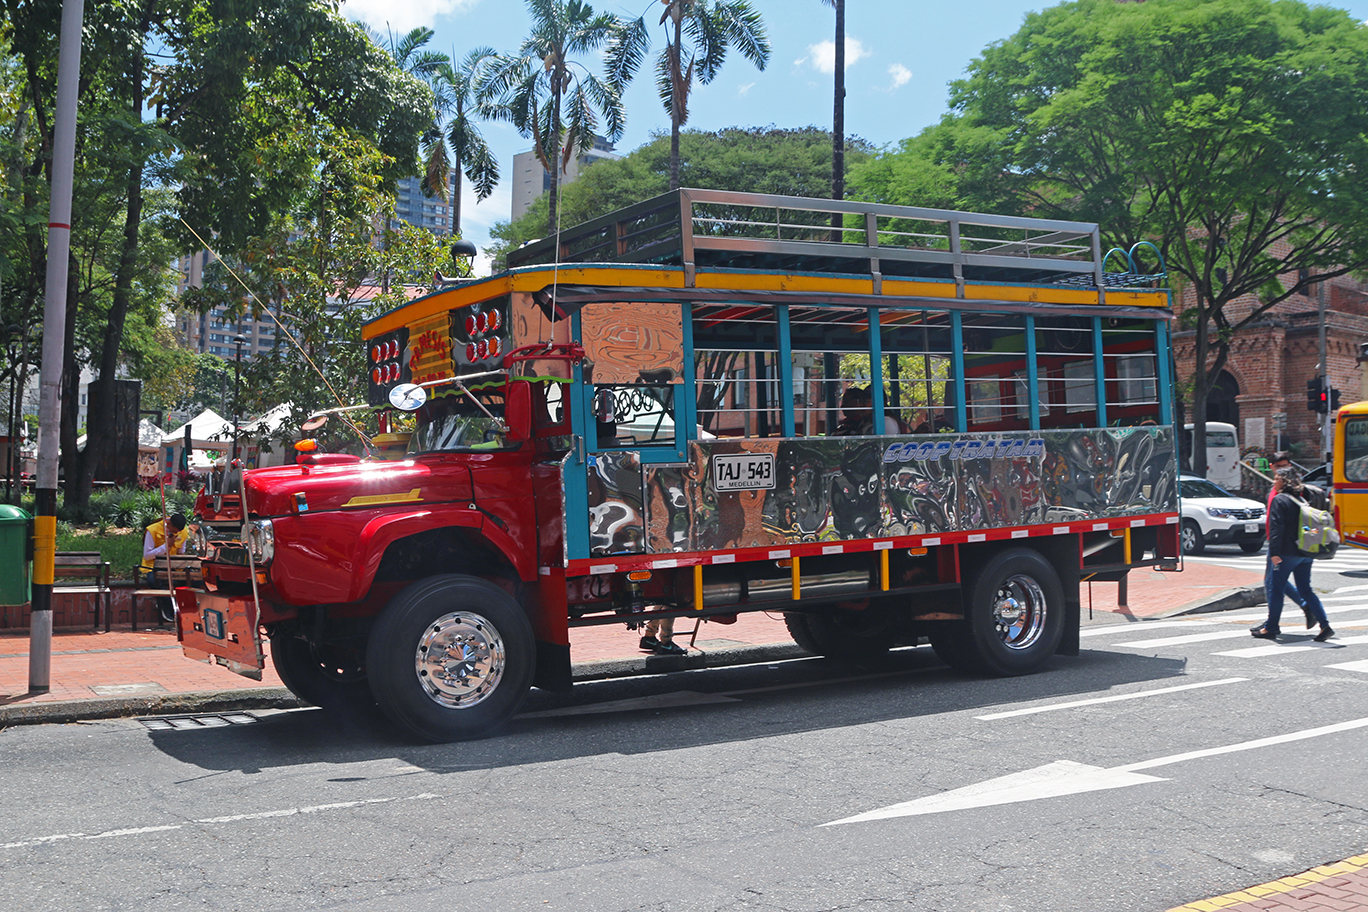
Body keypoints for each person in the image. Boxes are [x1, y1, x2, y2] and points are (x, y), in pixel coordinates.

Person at [1251, 467, 1332, 641]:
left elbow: (1276, 528)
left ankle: (1271, 627)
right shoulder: (1301, 499)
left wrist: (1274, 552)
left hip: (1286, 553)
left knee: (1276, 589)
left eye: (1277, 479)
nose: (1274, 482)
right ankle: (1325, 625)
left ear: (1284, 481)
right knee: (1306, 590)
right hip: (1305, 552)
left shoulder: (1279, 500)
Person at [1263, 452, 1310, 627]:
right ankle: (1305, 607)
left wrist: (1276, 547)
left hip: (1285, 544)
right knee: (1273, 581)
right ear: (1271, 467)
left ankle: (1272, 624)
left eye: (1285, 466)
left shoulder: (1293, 489)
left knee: (1273, 583)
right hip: (1276, 541)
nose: (1282, 470)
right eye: (1278, 467)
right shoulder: (1274, 488)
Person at [141, 512, 189, 624]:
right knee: (154, 581)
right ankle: (168, 606)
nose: (177, 533)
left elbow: (181, 552)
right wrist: (166, 546)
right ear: (169, 524)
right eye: (174, 531)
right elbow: (147, 555)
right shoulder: (152, 530)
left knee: (195, 580)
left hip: (173, 566)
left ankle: (185, 607)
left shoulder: (183, 531)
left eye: (178, 532)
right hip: (154, 566)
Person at [833, 386, 901, 436]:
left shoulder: (886, 422)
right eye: (861, 401)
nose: (862, 405)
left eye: (866, 401)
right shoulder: (865, 422)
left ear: (879, 403)